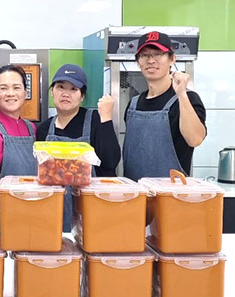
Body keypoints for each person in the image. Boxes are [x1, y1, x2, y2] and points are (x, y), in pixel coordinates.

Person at [36, 63, 121, 231]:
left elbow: (111, 161)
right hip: (55, 208)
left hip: (93, 206)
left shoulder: (97, 120)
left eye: (73, 89)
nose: (66, 94)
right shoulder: (44, 129)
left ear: (82, 96)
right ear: (52, 91)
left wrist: (106, 118)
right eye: (60, 87)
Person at [123, 31, 206, 181]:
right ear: (138, 62)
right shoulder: (133, 105)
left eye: (158, 54)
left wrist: (181, 94)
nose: (151, 60)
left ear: (172, 59)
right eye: (145, 55)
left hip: (171, 197)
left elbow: (195, 139)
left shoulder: (188, 98)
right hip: (135, 196)